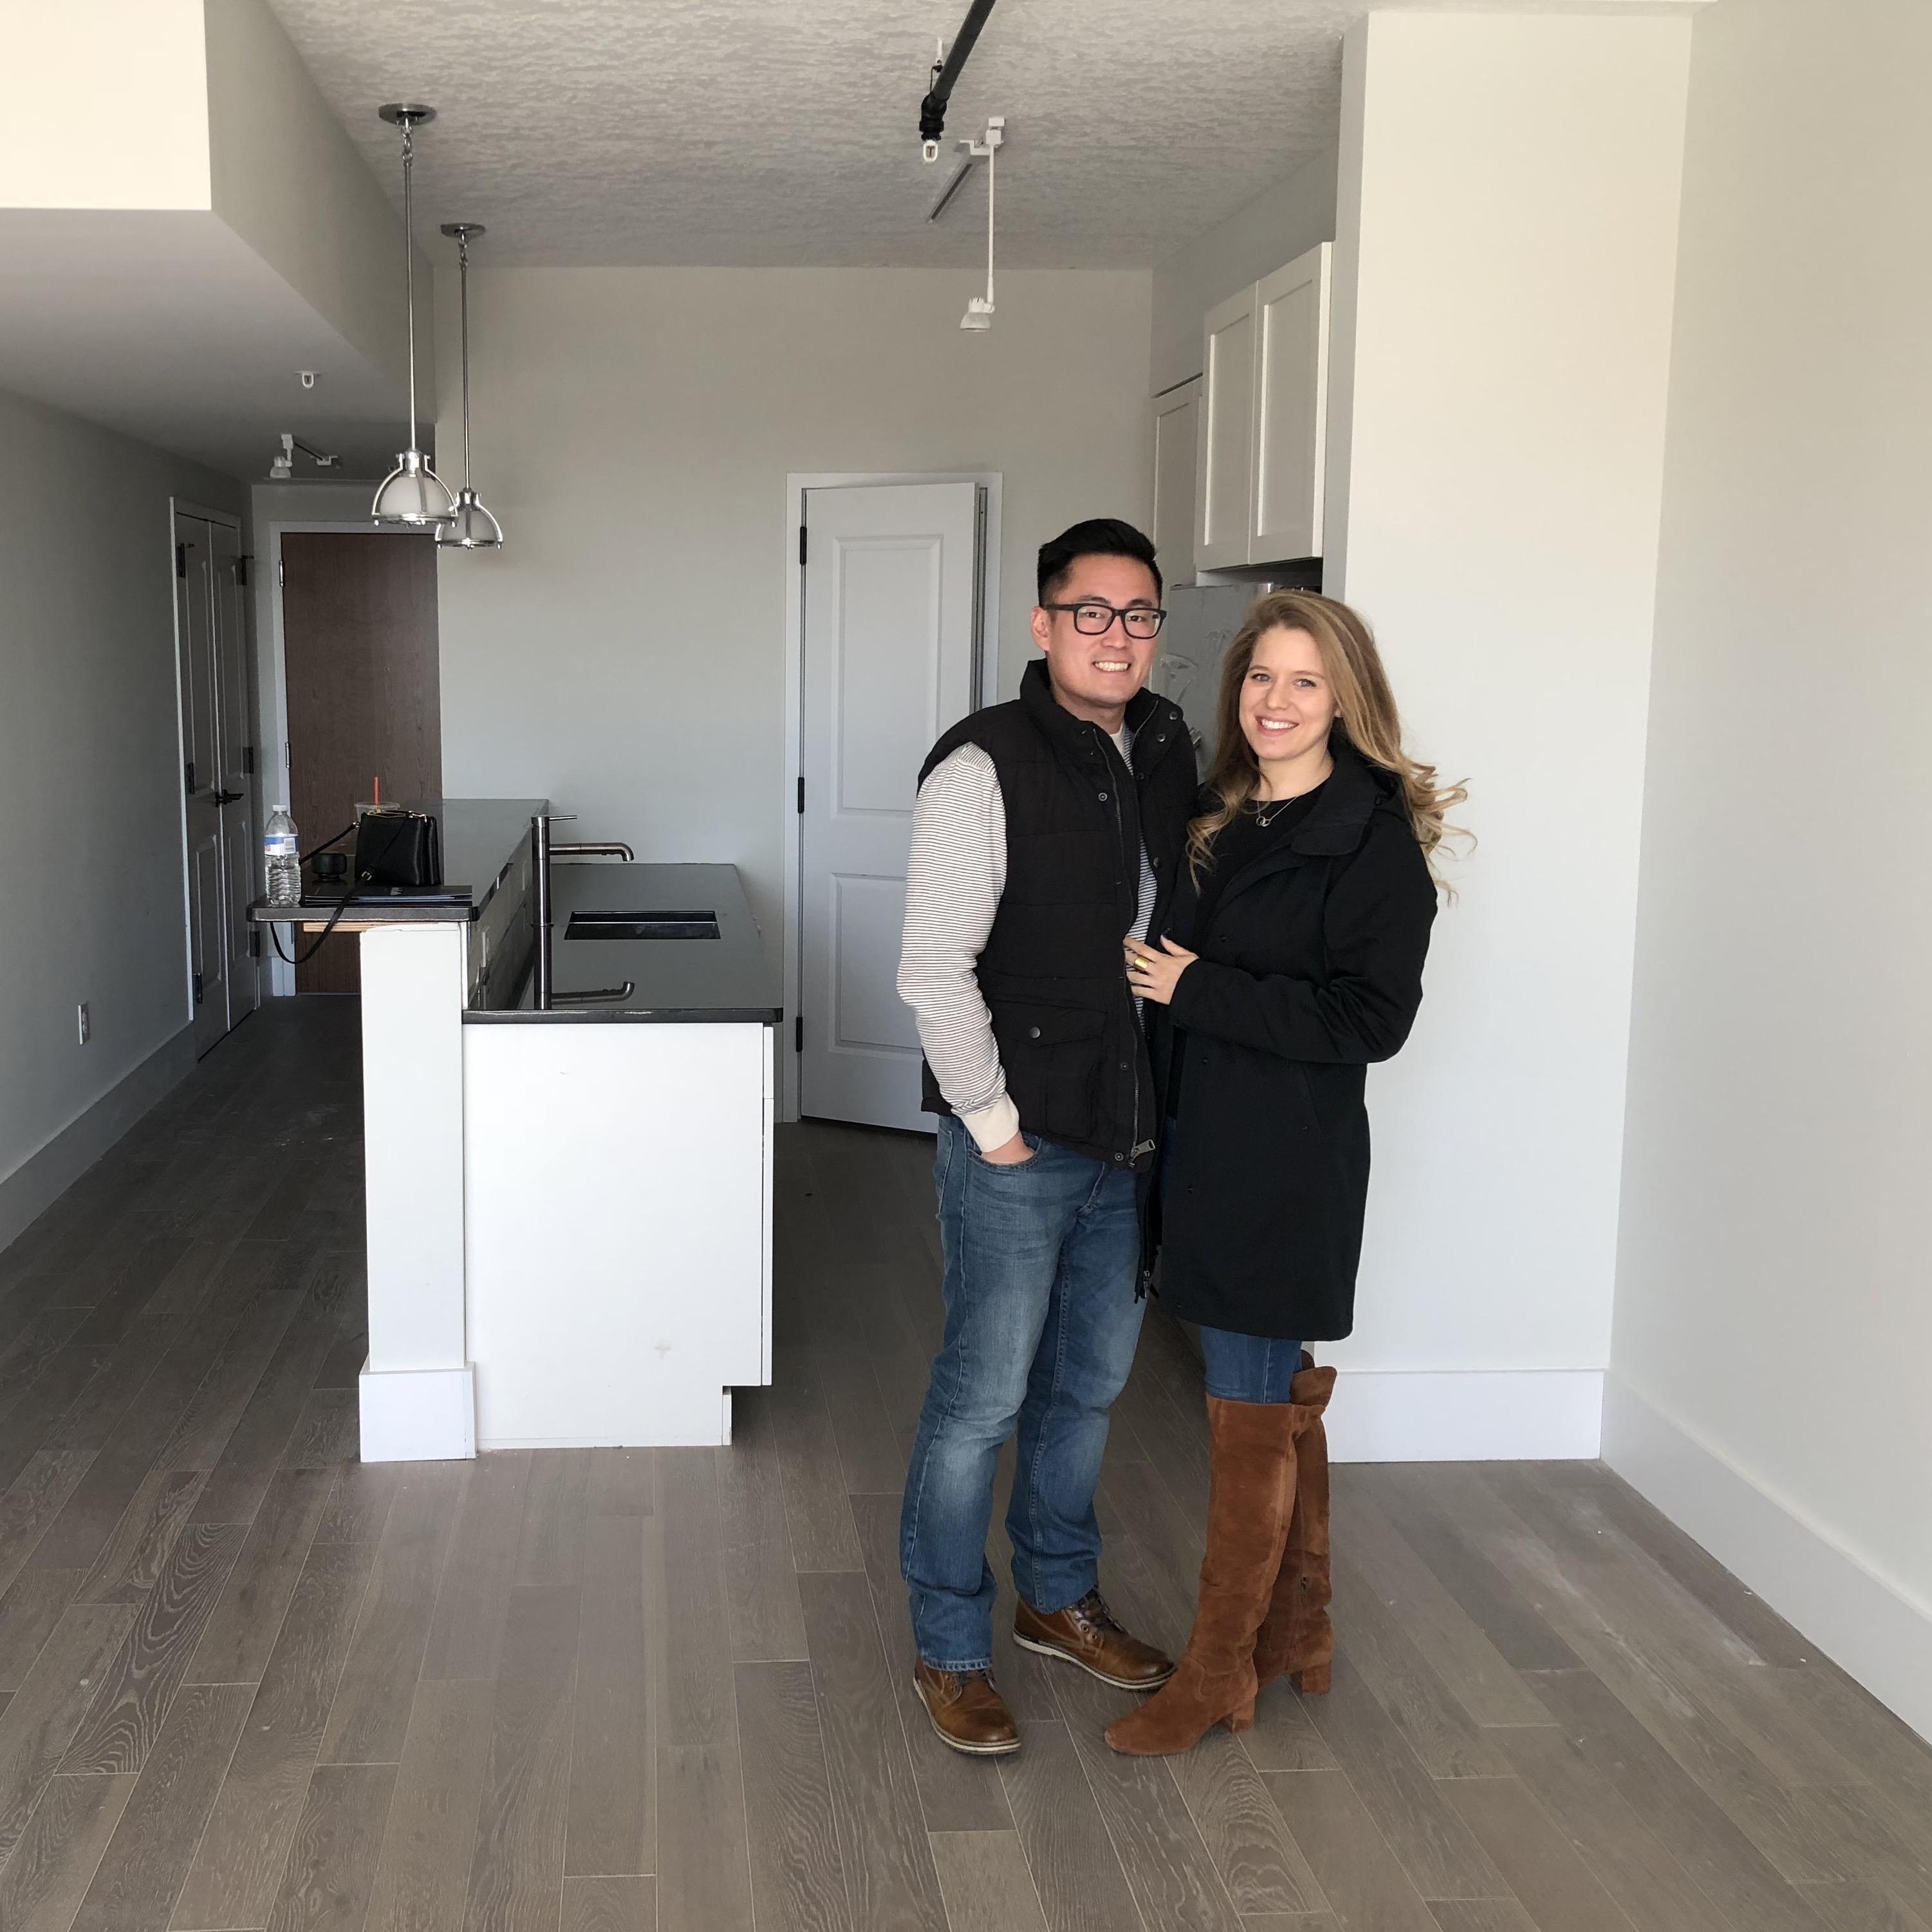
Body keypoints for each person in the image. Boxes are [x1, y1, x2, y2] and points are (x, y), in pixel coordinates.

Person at [1102, 590, 1461, 1757]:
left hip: (1281, 1163)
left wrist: (1194, 988)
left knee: (1247, 1409)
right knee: (1272, 1397)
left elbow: (1370, 1019)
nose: (1276, 700)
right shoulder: (1224, 813)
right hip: (1200, 1142)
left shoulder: (1369, 841)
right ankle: (1297, 1628)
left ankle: (1216, 1672)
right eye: (1260, 675)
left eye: (1305, 681)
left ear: (1344, 699)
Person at [896, 518, 1198, 1757]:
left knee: (1086, 1390)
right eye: (1091, 612)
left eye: (1138, 615)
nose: (1116, 636)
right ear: (1044, 623)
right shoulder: (983, 763)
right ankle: (950, 1646)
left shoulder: (1167, 745)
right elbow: (932, 969)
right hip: (1018, 1145)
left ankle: (1056, 1599)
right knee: (981, 1401)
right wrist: (994, 1128)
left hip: (1127, 1138)